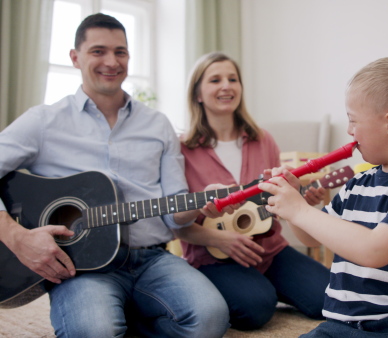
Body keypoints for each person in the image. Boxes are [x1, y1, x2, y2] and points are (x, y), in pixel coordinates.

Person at [0, 13, 229, 337]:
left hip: (151, 259)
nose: (111, 61)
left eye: (120, 52)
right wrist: (16, 236)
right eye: (98, 51)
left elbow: (176, 215)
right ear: (75, 57)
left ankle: (127, 318)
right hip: (80, 268)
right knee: (94, 330)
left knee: (212, 319)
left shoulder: (158, 124)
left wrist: (205, 200)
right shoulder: (43, 122)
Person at [259, 57, 388, 337]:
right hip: (341, 326)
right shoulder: (359, 182)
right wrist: (295, 203)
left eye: (353, 121)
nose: (349, 132)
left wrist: (300, 211)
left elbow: (374, 250)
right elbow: (313, 237)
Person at [174, 52, 331, 330]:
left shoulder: (262, 139)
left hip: (270, 250)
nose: (227, 86)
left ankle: (265, 285)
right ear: (198, 92)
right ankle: (256, 289)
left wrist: (299, 198)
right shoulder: (182, 149)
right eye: (215, 80)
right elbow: (176, 224)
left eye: (233, 79)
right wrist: (220, 240)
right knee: (255, 310)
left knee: (331, 297)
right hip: (214, 258)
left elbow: (276, 200)